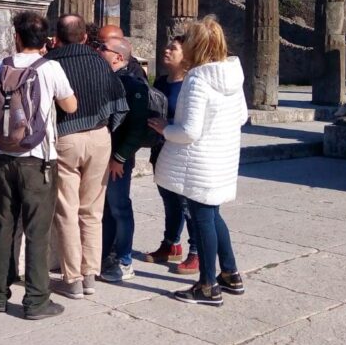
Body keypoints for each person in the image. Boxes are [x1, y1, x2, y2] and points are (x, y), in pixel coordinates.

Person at [0, 11, 77, 320]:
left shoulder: (2, 65)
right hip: (38, 159)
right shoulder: (51, 67)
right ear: (46, 40)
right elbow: (70, 105)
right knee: (37, 232)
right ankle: (36, 300)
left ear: (17, 37)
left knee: (3, 227)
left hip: (1, 158)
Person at [151, 16, 247, 306]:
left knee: (202, 218)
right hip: (222, 156)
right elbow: (242, 116)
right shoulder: (231, 74)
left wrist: (164, 128)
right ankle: (229, 273)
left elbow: (189, 132)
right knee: (212, 215)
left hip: (199, 162)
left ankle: (207, 285)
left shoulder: (198, 78)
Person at [45, 14, 129, 299]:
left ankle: (72, 280)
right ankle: (90, 275)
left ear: (56, 36)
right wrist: (106, 131)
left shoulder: (50, 63)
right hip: (99, 137)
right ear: (84, 37)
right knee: (92, 210)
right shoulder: (99, 61)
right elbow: (120, 104)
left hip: (65, 138)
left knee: (66, 210)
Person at [98, 37, 152, 282]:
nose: (99, 51)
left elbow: (137, 128)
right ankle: (105, 254)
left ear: (118, 57)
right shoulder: (105, 79)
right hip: (103, 156)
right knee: (107, 208)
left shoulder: (133, 85)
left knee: (119, 207)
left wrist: (120, 158)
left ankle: (125, 260)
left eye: (103, 49)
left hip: (118, 159)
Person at [143, 35, 199, 275]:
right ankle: (171, 244)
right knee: (170, 201)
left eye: (172, 48)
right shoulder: (163, 82)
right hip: (160, 150)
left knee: (187, 205)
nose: (166, 50)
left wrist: (168, 124)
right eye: (166, 46)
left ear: (186, 55)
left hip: (182, 152)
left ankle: (196, 251)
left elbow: (191, 122)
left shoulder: (191, 85)